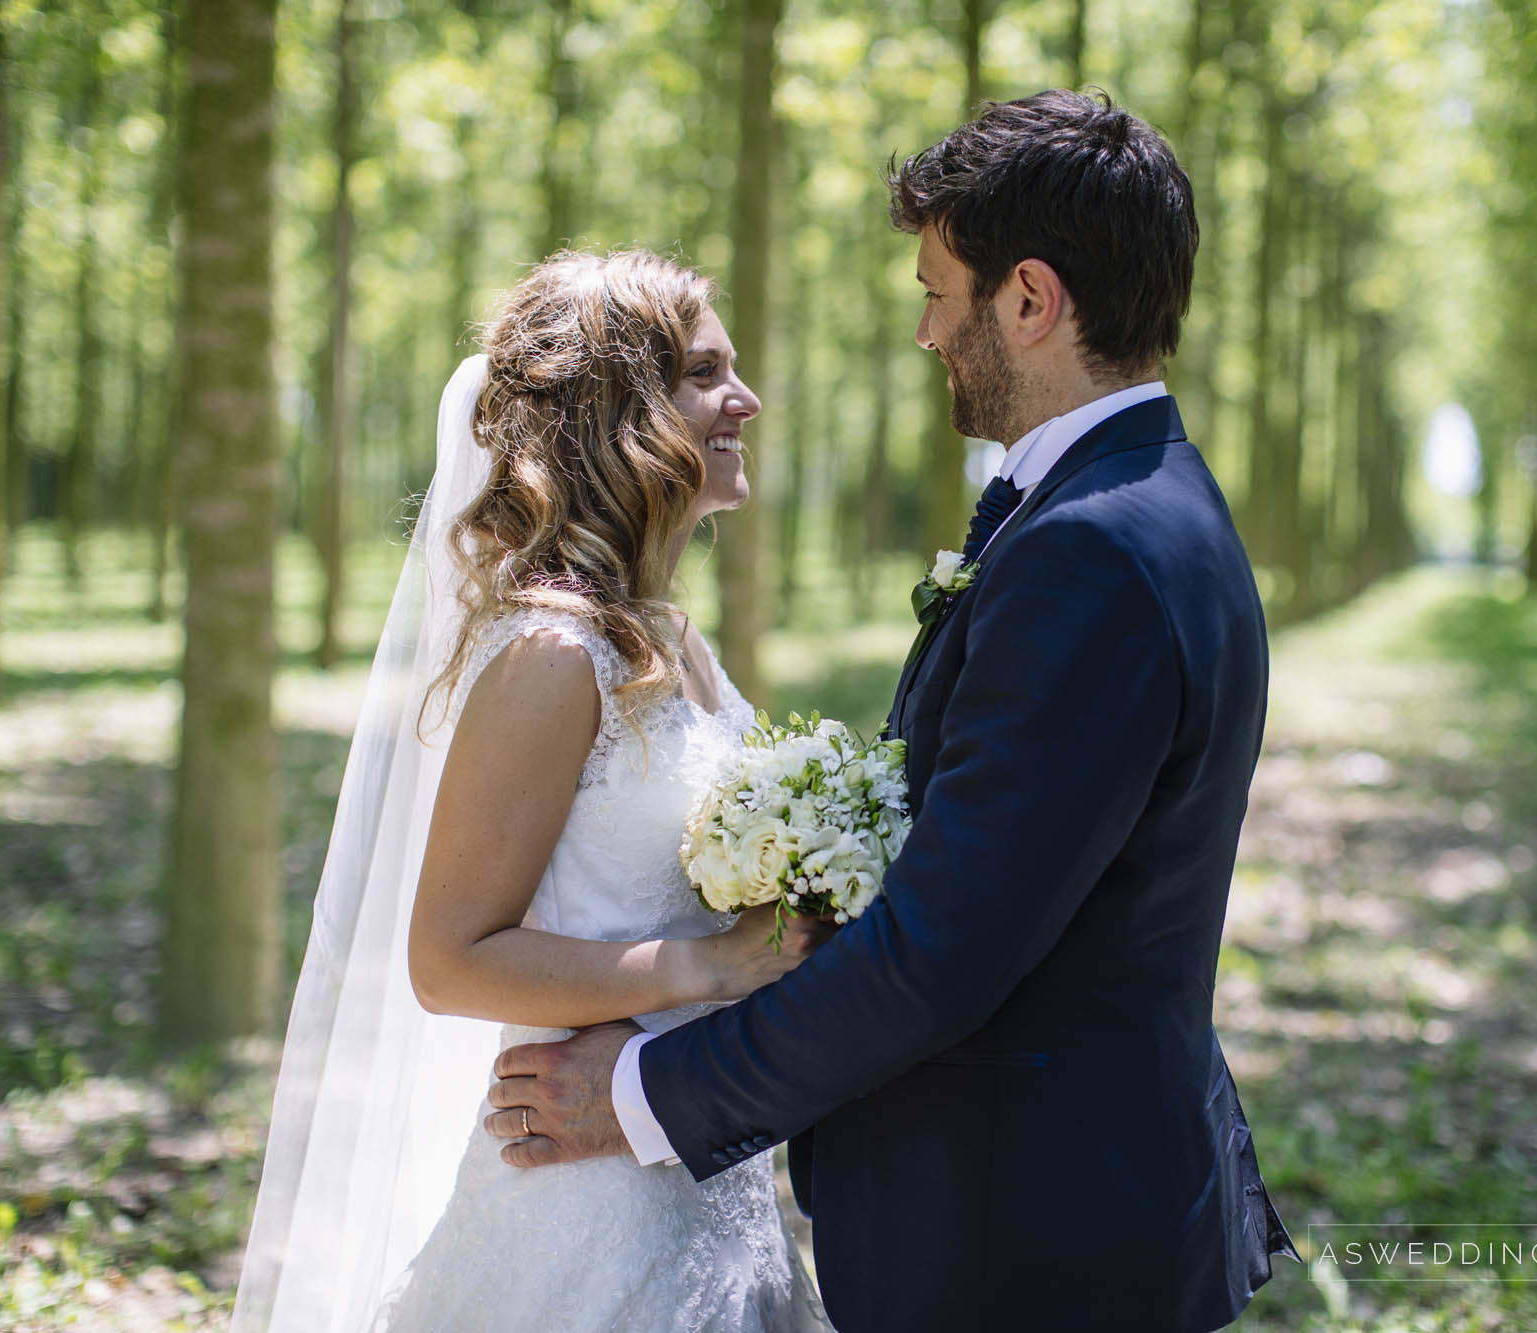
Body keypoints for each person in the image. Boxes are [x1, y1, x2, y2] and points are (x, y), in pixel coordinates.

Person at [489, 91, 1298, 1331]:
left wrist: (644, 1092)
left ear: (1028, 300)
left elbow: (940, 958)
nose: (925, 331)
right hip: (1064, 1195)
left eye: (938, 291)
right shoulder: (1145, 503)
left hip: (1026, 1239)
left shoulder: (1089, 550)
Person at [230, 249, 830, 1331]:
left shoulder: (672, 640)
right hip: (581, 1199)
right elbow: (448, 958)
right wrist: (711, 964)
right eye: (704, 374)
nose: (745, 399)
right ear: (619, 412)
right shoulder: (554, 652)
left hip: (700, 1161)